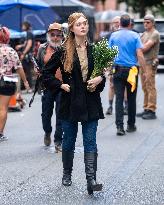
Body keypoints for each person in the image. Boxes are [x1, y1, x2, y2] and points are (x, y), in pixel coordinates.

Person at [43, 12, 105, 194]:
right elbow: (46, 74)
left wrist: (100, 79)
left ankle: (91, 178)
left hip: (91, 101)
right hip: (69, 102)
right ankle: (67, 173)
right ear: (71, 28)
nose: (83, 26)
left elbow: (101, 74)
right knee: (69, 141)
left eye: (85, 23)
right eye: (79, 24)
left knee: (90, 141)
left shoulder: (94, 50)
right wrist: (60, 84)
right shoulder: (62, 51)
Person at [109, 14, 147, 136]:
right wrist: (144, 71)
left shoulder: (114, 35)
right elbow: (140, 54)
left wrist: (109, 71)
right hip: (132, 71)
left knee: (119, 99)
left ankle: (119, 127)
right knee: (131, 99)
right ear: (130, 23)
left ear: (119, 23)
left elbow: (110, 55)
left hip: (118, 70)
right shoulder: (135, 35)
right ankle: (131, 125)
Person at [37, 22, 63, 152]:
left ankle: (58, 140)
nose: (55, 38)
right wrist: (38, 72)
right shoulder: (42, 48)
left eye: (58, 35)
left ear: (62, 36)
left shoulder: (65, 49)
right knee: (46, 114)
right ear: (48, 35)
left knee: (60, 114)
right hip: (47, 87)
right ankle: (47, 132)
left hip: (62, 87)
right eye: (53, 35)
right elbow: (39, 66)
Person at [0, 26, 30, 141]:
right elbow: (19, 68)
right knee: (3, 108)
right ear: (7, 37)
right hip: (6, 82)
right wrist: (26, 81)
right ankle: (0, 133)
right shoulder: (11, 51)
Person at [136, 14, 160, 120]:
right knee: (144, 87)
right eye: (144, 22)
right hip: (143, 63)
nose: (145, 24)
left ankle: (152, 109)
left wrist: (137, 47)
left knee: (150, 86)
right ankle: (146, 108)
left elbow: (145, 47)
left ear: (153, 23)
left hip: (150, 63)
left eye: (148, 22)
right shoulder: (144, 33)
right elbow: (139, 47)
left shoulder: (155, 34)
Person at [106, 16, 128, 115]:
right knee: (111, 85)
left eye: (118, 22)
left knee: (125, 86)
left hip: (124, 64)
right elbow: (106, 52)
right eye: (114, 22)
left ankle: (126, 106)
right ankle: (110, 106)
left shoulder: (126, 34)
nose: (116, 24)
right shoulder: (108, 35)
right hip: (112, 63)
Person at [15, 21, 34, 91]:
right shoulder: (28, 34)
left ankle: (29, 87)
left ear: (26, 26)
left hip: (27, 56)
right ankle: (28, 87)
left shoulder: (29, 33)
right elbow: (26, 43)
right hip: (28, 55)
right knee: (26, 71)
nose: (22, 27)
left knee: (26, 71)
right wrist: (20, 46)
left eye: (23, 25)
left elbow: (29, 44)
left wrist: (23, 53)